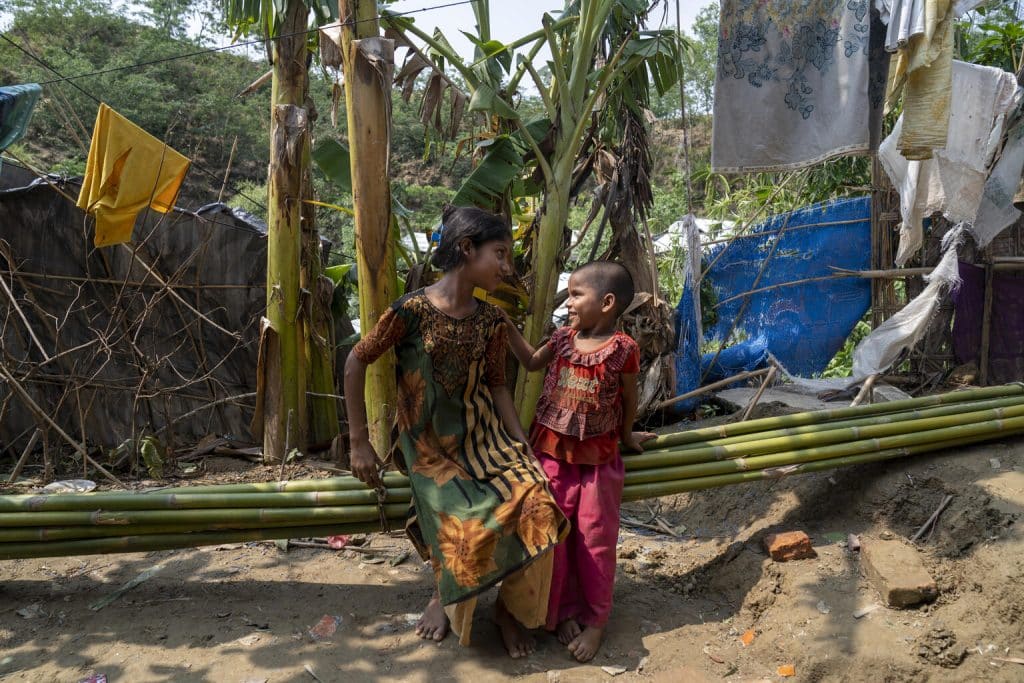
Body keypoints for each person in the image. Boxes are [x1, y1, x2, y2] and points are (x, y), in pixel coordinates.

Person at [344, 205, 568, 657]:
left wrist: (520, 443)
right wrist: (359, 442)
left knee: (539, 502)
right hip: (429, 447)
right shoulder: (410, 311)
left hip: (486, 439)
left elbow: (498, 386)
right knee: (463, 522)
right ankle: (443, 597)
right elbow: (356, 361)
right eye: (499, 254)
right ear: (467, 249)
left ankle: (508, 611)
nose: (507, 268)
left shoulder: (492, 320)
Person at [504, 260, 654, 662]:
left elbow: (629, 399)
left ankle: (596, 621)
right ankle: (562, 611)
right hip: (551, 455)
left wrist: (627, 437)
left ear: (606, 303)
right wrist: (507, 328)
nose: (568, 303)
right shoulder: (562, 339)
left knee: (595, 540)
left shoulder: (623, 349)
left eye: (575, 295)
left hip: (598, 461)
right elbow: (530, 362)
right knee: (555, 537)